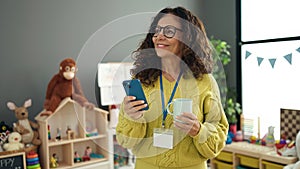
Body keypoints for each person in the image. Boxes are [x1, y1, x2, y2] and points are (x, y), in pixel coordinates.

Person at [116, 6, 228, 169]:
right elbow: (125, 140)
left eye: (169, 31)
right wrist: (131, 117)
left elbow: (218, 138)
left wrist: (198, 130)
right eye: (157, 30)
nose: (159, 36)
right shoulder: (141, 80)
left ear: (188, 38)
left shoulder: (205, 82)